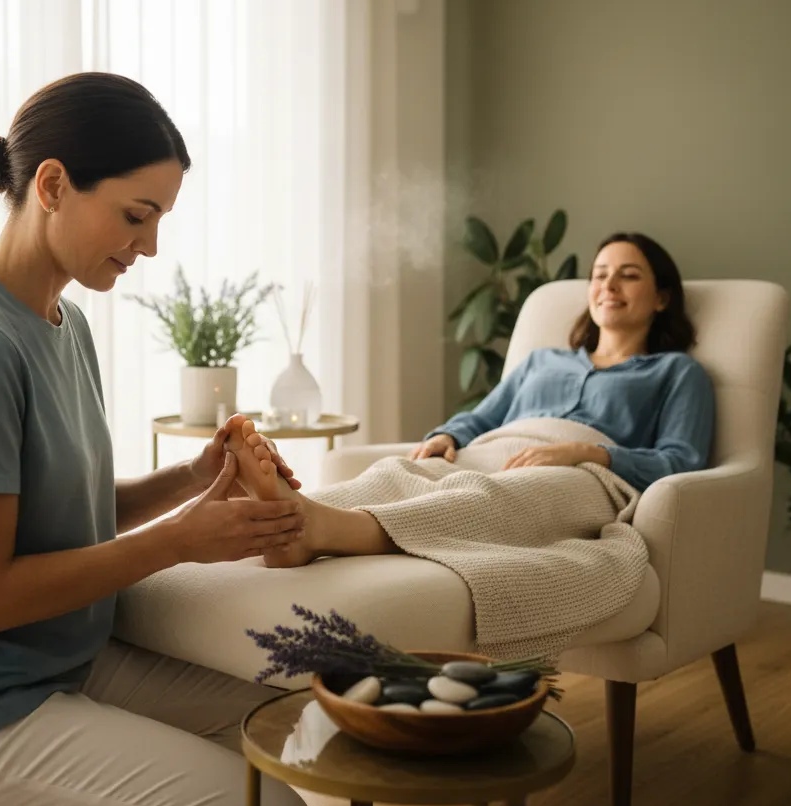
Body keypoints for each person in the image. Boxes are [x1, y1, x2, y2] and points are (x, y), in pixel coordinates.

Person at [0, 73, 315, 806]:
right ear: (54, 184)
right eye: (137, 215)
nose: (151, 246)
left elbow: (56, 513)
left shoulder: (62, 321)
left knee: (292, 711)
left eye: (161, 219)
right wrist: (178, 542)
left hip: (57, 661)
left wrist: (194, 482)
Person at [221, 232, 715, 568]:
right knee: (405, 473)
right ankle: (280, 518)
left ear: (662, 297)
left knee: (486, 500)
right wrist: (448, 435)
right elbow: (484, 416)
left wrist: (586, 452)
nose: (608, 285)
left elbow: (682, 459)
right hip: (497, 450)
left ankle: (317, 531)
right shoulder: (544, 361)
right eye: (600, 273)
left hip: (583, 477)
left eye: (628, 275)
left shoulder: (677, 372)